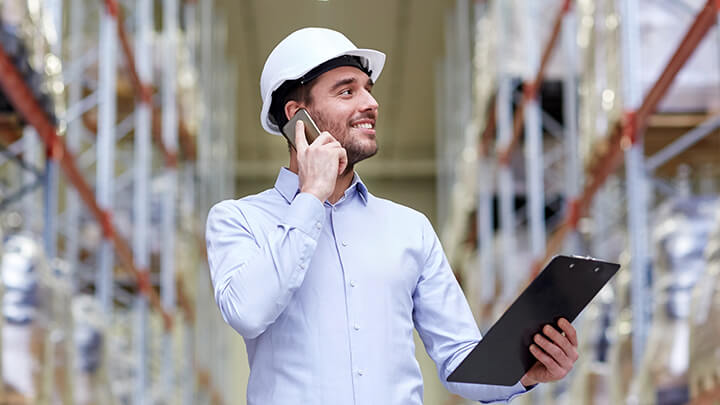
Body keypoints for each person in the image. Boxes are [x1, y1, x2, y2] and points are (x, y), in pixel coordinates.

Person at [205, 27, 579, 405]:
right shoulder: (238, 220)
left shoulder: (410, 228)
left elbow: (460, 358)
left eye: (368, 89)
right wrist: (311, 196)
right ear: (297, 117)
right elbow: (248, 312)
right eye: (347, 91)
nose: (370, 103)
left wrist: (522, 370)